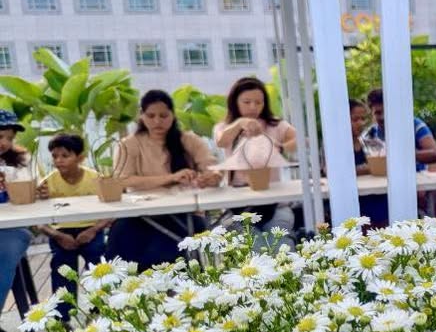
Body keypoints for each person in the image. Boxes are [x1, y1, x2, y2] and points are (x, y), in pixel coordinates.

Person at [110, 89, 220, 270]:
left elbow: (213, 168)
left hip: (184, 213)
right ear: (141, 116)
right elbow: (123, 180)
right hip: (139, 214)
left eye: (163, 115)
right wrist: (172, 177)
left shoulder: (189, 140)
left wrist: (210, 178)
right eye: (151, 116)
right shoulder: (128, 144)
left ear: (173, 116)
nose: (157, 121)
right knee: (121, 237)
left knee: (175, 242)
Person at [213, 76, 297, 246]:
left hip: (275, 203)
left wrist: (279, 147)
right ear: (234, 102)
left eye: (259, 102)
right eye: (247, 102)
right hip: (239, 205)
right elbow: (221, 141)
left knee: (281, 244)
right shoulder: (225, 127)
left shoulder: (275, 125)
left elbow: (299, 140)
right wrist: (239, 124)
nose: (253, 107)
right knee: (254, 245)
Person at [35, 134, 108, 318]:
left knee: (97, 258)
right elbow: (38, 220)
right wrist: (57, 235)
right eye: (55, 156)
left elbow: (111, 213)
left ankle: (101, 308)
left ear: (80, 157)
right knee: (61, 263)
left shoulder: (94, 178)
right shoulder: (46, 183)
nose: (58, 161)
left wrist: (93, 230)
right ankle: (63, 316)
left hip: (91, 229)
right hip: (61, 232)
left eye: (65, 155)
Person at [0, 110, 33, 332]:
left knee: (14, 241)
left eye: (10, 138)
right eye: (0, 136)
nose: (5, 143)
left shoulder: (18, 161)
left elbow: (26, 199)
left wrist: (36, 190)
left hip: (9, 228)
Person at [364, 87, 436, 170]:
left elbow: (435, 155)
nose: (383, 117)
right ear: (371, 114)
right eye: (378, 113)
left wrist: (400, 155)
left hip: (416, 178)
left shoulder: (413, 125)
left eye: (387, 111)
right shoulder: (369, 134)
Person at [346, 98, 389, 227]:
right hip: (351, 200)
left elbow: (382, 166)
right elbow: (333, 172)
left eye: (363, 118)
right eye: (355, 119)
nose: (360, 123)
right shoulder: (334, 149)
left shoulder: (370, 143)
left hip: (374, 196)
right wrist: (369, 168)